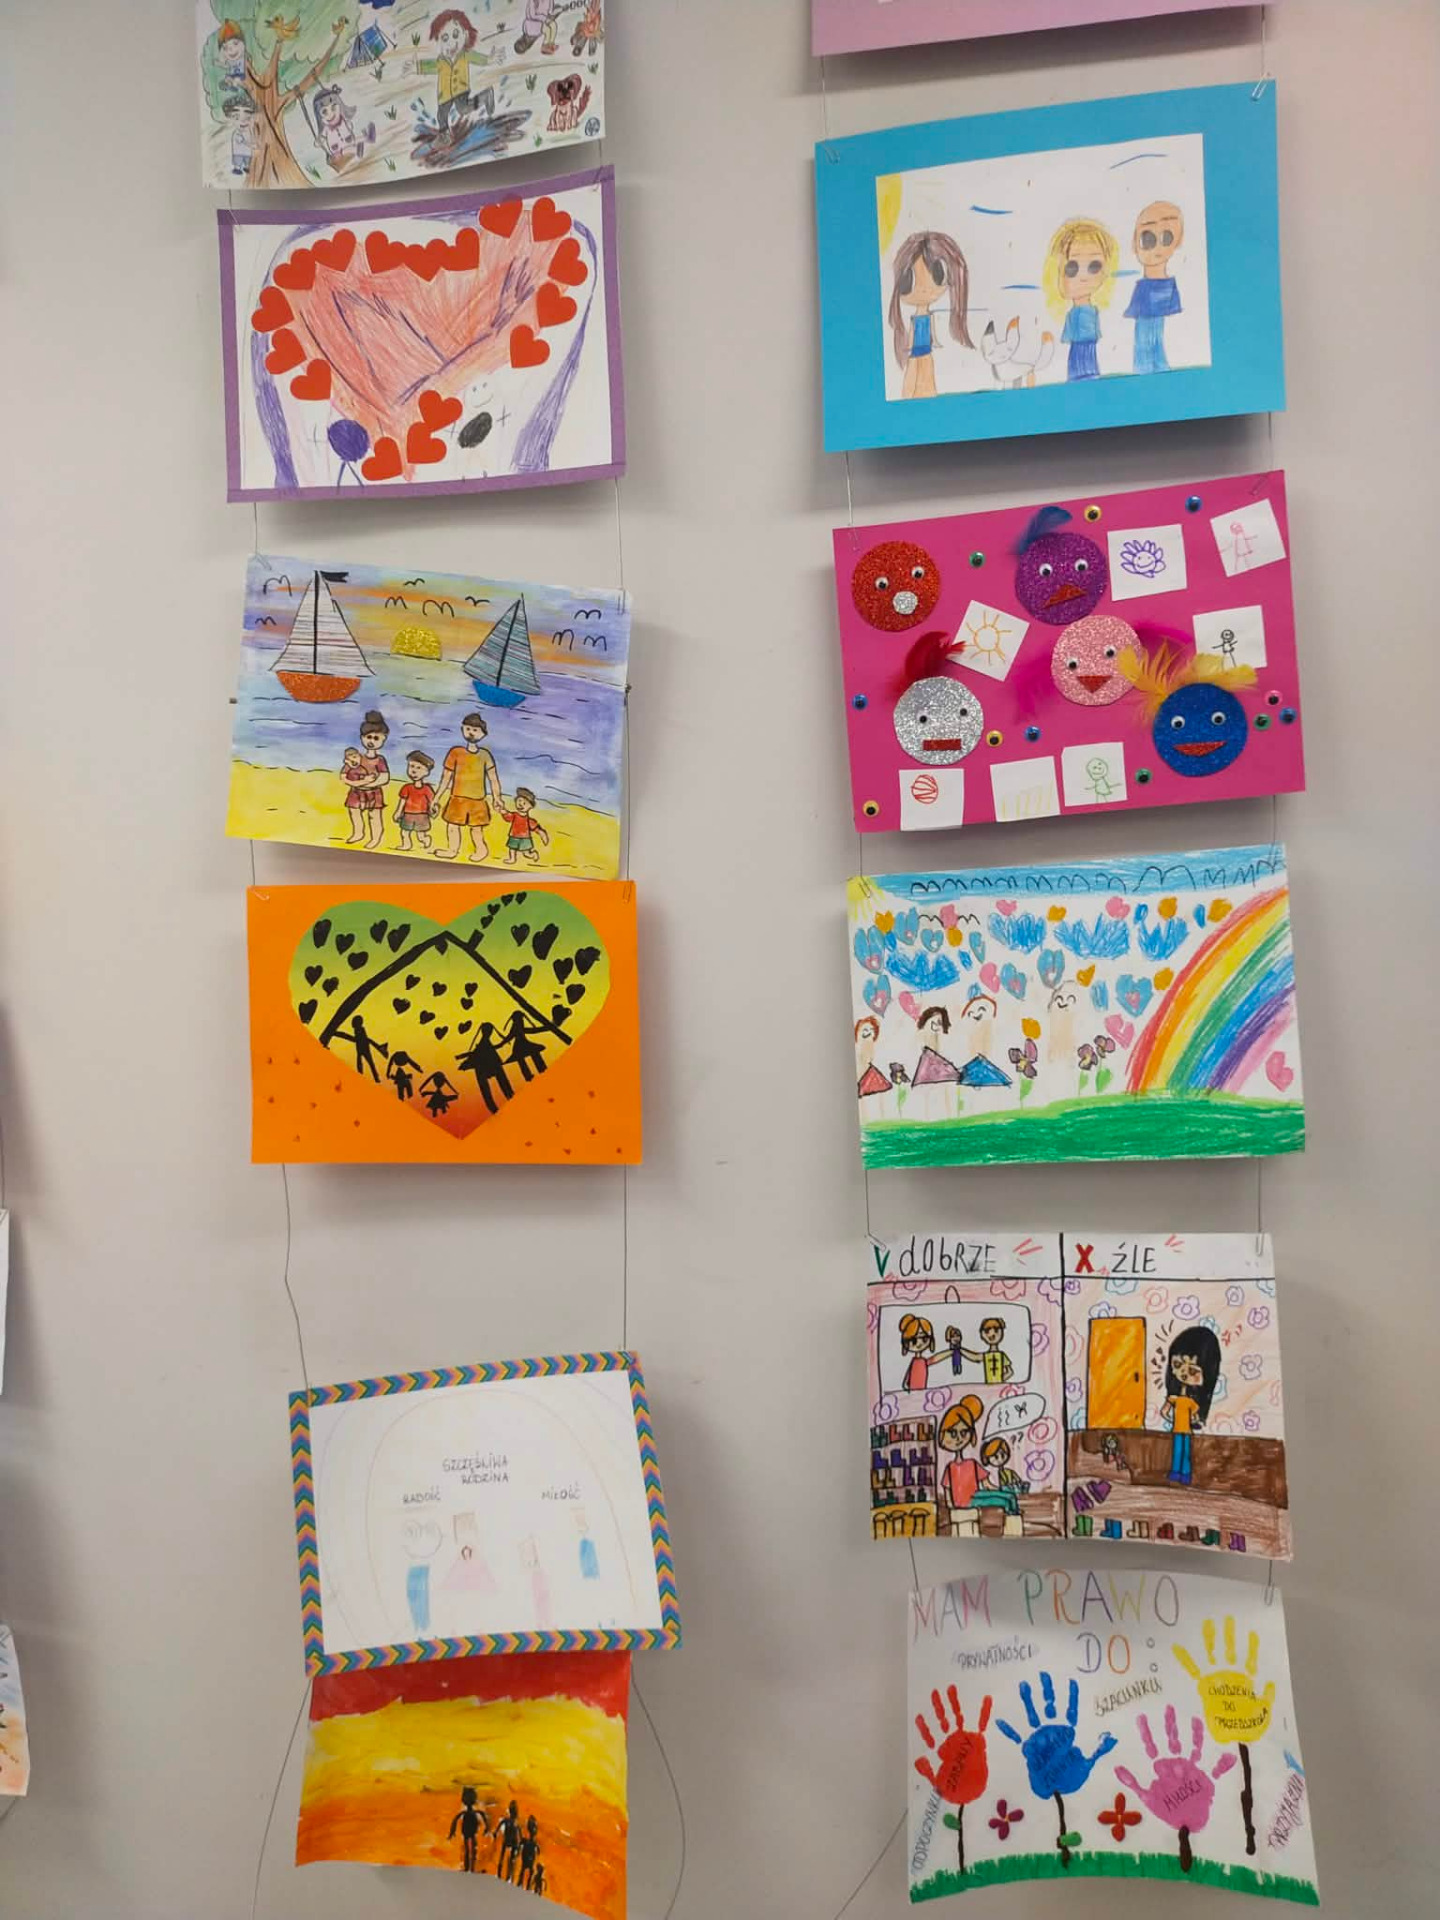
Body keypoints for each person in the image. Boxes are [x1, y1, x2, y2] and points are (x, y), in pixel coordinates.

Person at [887, 231, 973, 399]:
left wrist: (935, 341)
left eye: (938, 274)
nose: (925, 289)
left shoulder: (928, 316)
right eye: (909, 280)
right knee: (912, 375)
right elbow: (912, 333)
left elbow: (932, 330)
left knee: (927, 373)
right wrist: (909, 347)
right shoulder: (915, 318)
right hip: (916, 351)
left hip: (926, 349)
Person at [1043, 218, 1120, 382]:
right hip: (1076, 355)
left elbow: (1090, 336)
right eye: (1072, 268)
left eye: (1094, 266)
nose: (1083, 277)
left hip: (1086, 354)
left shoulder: (1090, 312)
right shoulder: (1074, 313)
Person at [434, 712, 503, 863]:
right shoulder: (455, 752)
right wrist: (436, 798)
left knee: (476, 829)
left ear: (483, 734)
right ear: (463, 730)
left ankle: (481, 850)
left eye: (475, 730)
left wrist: (497, 798)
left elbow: (493, 779)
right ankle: (452, 850)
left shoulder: (485, 755)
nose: (471, 733)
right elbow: (446, 778)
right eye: (468, 729)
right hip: (457, 798)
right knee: (452, 826)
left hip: (477, 800)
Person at [1125, 200, 1184, 374]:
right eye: (1148, 239)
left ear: (1177, 242)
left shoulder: (1165, 286)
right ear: (1134, 243)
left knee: (1151, 343)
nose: (1157, 248)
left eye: (1166, 238)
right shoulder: (1143, 287)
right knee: (1144, 344)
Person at [1161, 1325, 1220, 1485]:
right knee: (1178, 1450)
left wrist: (1194, 1420)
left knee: (1185, 1452)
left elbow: (1195, 1415)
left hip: (1186, 1430)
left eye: (1192, 1371)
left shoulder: (1192, 1402)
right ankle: (1176, 1472)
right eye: (1177, 1365)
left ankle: (1185, 1474)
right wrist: (1169, 1416)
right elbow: (1165, 1411)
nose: (1183, 1374)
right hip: (1177, 1429)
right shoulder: (1175, 1397)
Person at [428, 10, 493, 134]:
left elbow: (478, 58)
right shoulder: (440, 61)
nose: (451, 43)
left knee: (463, 109)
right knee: (441, 115)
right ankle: (444, 134)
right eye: (445, 38)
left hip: (460, 89)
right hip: (444, 95)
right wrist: (415, 67)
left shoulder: (465, 54)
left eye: (456, 35)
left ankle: (485, 96)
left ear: (466, 35)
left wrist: (489, 59)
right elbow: (429, 66)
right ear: (438, 41)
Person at [344, 712, 391, 850]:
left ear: (383, 739)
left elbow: (385, 777)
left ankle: (375, 838)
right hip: (356, 791)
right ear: (362, 737)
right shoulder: (356, 757)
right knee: (354, 812)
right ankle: (358, 833)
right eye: (368, 737)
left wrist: (369, 783)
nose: (371, 741)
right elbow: (345, 772)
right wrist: (358, 783)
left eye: (376, 738)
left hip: (373, 793)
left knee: (374, 816)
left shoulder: (380, 760)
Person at [311, 82, 375, 171]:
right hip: (338, 150)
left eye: (333, 108)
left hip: (348, 141)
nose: (331, 114)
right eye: (325, 112)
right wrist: (319, 141)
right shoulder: (326, 129)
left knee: (354, 141)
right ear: (319, 117)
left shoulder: (342, 119)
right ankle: (359, 148)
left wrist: (348, 125)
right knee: (347, 150)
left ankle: (368, 138)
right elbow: (321, 139)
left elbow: (349, 126)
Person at [456, 1022, 514, 1114]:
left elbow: (479, 1051)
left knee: (499, 1082)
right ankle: (498, 1105)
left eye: (490, 1031)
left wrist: (463, 1056)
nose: (489, 1033)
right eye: (489, 1031)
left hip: (489, 1062)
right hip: (486, 1063)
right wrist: (463, 1056)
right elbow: (477, 1052)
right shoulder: (484, 1042)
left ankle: (506, 1100)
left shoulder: (485, 1042)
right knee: (496, 1083)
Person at [897, 1313, 960, 1394]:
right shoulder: (915, 1362)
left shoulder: (923, 1361)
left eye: (924, 1339)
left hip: (921, 1391)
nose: (919, 1343)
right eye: (914, 1341)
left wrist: (950, 1352)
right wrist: (906, 1384)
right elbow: (908, 1376)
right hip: (914, 1392)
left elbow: (936, 1358)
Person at [948, 1315, 1014, 1384]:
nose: (991, 1334)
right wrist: (961, 1350)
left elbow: (1010, 1372)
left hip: (997, 1385)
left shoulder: (1002, 1356)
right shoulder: (986, 1355)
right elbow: (975, 1357)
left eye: (996, 1330)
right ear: (982, 1334)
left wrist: (999, 1379)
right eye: (987, 1331)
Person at [394, 750, 438, 851]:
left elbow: (432, 801)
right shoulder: (406, 787)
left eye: (418, 768)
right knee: (405, 832)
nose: (414, 770)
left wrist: (434, 809)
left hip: (422, 815)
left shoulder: (427, 789)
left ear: (426, 772)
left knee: (420, 835)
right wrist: (398, 812)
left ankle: (426, 839)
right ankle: (406, 845)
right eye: (411, 766)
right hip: (407, 814)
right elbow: (402, 802)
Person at [330, 1014, 387, 1081]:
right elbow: (358, 1039)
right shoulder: (358, 1030)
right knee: (366, 1064)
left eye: (353, 1022)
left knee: (368, 1064)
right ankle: (371, 1078)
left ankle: (373, 1079)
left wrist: (339, 1034)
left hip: (363, 1048)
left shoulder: (359, 1030)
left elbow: (358, 1039)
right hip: (361, 1048)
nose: (352, 1024)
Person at [501, 788, 550, 866]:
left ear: (531, 806)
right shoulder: (514, 815)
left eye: (524, 803)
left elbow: (536, 829)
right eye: (519, 801)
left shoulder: (529, 820)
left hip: (525, 838)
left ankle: (533, 854)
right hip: (514, 836)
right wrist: (503, 812)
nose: (521, 804)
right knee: (512, 849)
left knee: (526, 853)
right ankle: (512, 859)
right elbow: (507, 817)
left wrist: (542, 834)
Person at [501, 1008, 549, 1082]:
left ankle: (540, 1070)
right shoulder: (515, 1028)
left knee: (532, 1053)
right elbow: (509, 1037)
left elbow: (532, 1030)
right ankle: (531, 1074)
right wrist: (500, 1044)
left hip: (524, 1043)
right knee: (523, 1058)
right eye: (521, 1019)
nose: (522, 1021)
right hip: (519, 1045)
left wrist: (545, 1028)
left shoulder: (519, 1027)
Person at [448, 1787, 489, 1873]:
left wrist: (452, 1832)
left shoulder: (468, 1813)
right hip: (470, 1831)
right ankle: (470, 1867)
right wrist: (486, 1828)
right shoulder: (475, 1813)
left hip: (467, 1831)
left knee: (468, 1848)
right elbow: (484, 1818)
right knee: (471, 1848)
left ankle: (469, 1867)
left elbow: (455, 1820)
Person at [493, 1801, 524, 1881]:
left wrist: (496, 1832)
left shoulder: (510, 1821)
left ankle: (505, 1874)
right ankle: (505, 1873)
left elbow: (519, 1833)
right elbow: (519, 1833)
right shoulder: (513, 1822)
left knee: (506, 1856)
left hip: (510, 1841)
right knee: (508, 1857)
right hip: (511, 1841)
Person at [517, 1815, 541, 1889]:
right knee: (527, 1869)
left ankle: (522, 1883)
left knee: (525, 1869)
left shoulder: (531, 1841)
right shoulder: (531, 1841)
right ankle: (524, 1884)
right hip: (529, 1854)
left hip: (528, 1853)